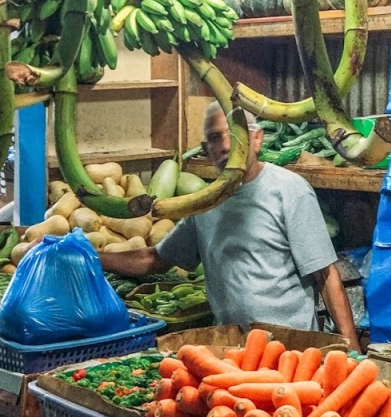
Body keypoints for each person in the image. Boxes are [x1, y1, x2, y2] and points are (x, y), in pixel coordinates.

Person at [100, 103, 360, 349]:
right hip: (230, 346)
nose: (225, 146)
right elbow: (155, 260)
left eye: (235, 134)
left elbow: (325, 275)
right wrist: (92, 256)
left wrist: (352, 349)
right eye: (215, 138)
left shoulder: (289, 190)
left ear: (257, 139)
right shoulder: (205, 202)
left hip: (289, 346)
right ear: (206, 148)